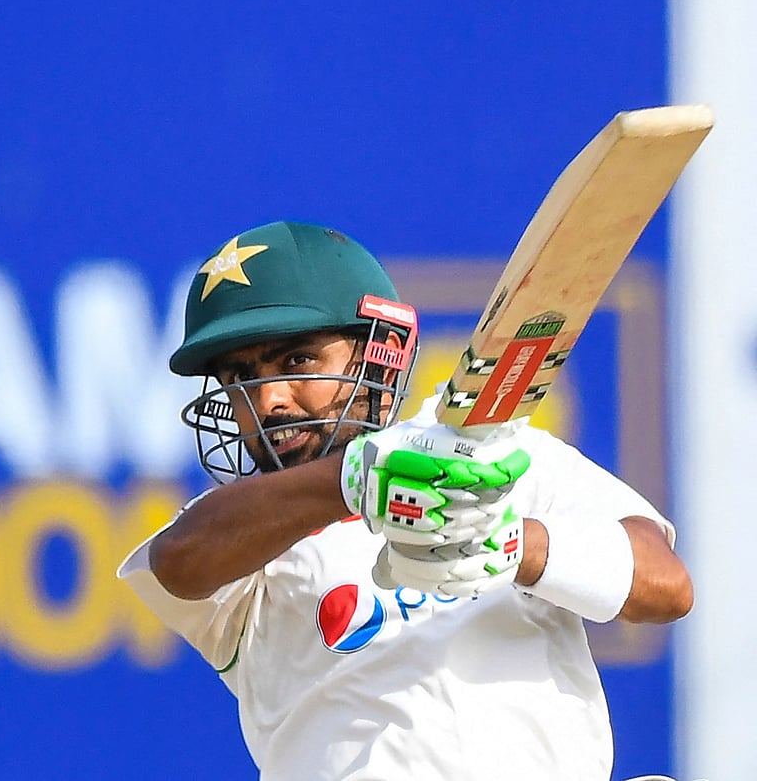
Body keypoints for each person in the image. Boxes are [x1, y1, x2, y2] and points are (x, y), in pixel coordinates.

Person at [117, 220, 692, 781]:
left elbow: (664, 587)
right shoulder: (246, 534)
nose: (269, 401)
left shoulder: (495, 457)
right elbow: (178, 563)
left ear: (376, 356)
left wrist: (513, 544)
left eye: (299, 362)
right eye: (240, 379)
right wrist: (358, 481)